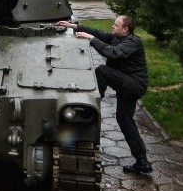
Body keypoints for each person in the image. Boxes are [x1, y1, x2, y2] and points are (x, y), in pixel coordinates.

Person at [56, 15, 152, 176]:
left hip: (134, 85)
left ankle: (90, 109)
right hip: (126, 83)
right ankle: (142, 162)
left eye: (116, 25)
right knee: (124, 120)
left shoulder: (133, 42)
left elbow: (114, 53)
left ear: (125, 29)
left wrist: (91, 39)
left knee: (102, 71)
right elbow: (98, 32)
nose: (112, 27)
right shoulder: (118, 37)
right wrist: (75, 27)